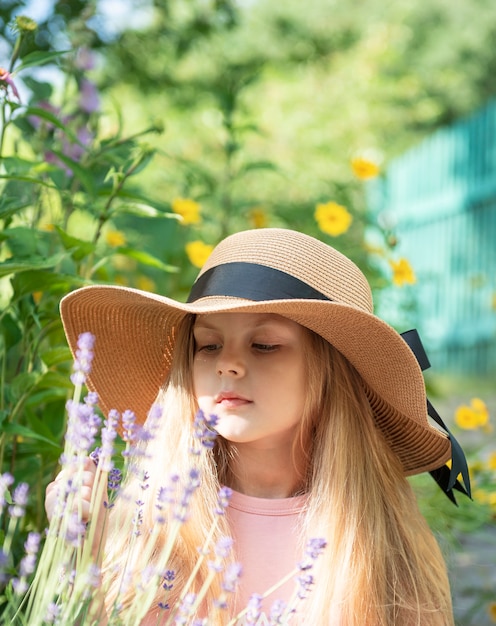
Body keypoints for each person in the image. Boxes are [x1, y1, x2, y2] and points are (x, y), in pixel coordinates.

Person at [45, 228, 470, 625]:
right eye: (207, 345)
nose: (227, 363)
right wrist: (83, 549)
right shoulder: (148, 523)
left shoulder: (380, 544)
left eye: (264, 344)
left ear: (329, 375)